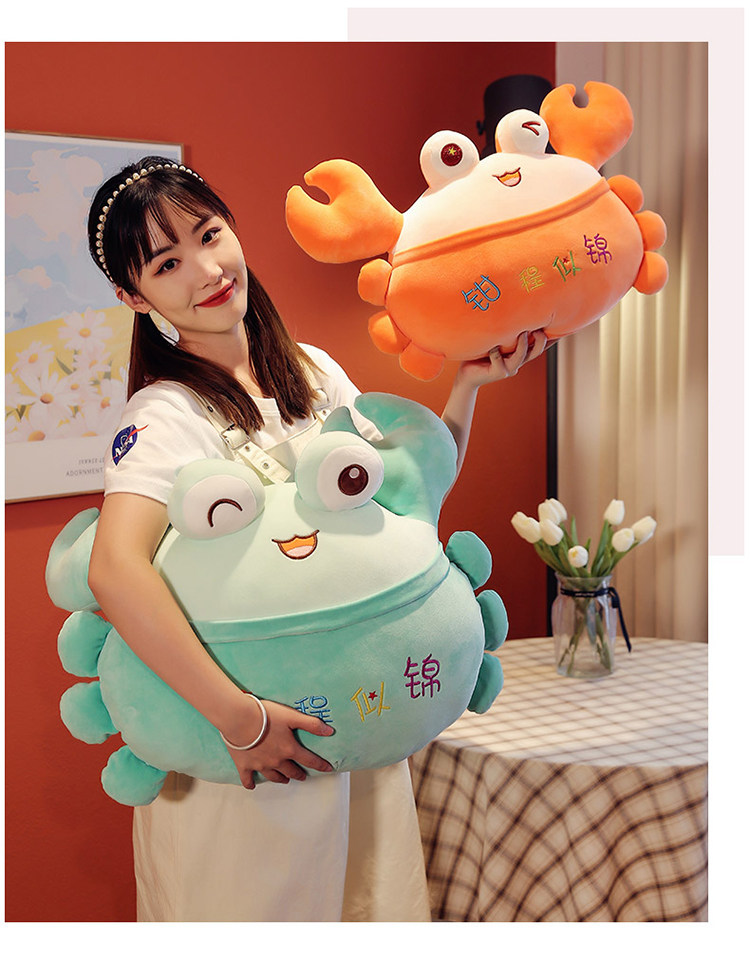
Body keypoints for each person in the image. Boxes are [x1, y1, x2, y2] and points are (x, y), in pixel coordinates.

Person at [85, 156, 545, 922]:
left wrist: (466, 384)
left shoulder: (312, 372)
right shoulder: (165, 415)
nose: (207, 270)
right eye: (167, 264)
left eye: (209, 234)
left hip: (355, 728)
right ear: (135, 296)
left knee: (369, 911)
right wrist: (243, 720)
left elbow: (401, 501)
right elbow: (115, 571)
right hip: (247, 764)